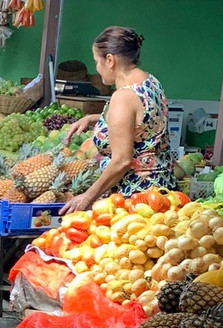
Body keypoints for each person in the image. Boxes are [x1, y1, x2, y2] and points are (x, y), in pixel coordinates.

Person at [60, 27, 173, 213]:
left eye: (97, 61)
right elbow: (142, 122)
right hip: (161, 190)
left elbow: (121, 160)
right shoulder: (150, 81)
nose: (96, 67)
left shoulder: (123, 96)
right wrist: (93, 118)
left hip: (136, 199)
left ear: (110, 60)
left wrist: (87, 197)